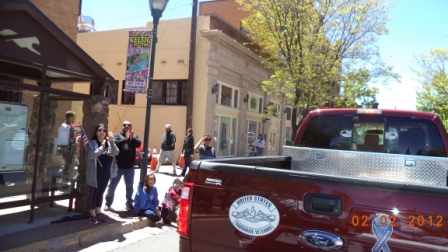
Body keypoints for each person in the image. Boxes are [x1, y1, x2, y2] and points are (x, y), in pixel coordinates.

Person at [104, 120, 141, 211]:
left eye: (129, 125)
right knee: (112, 186)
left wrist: (131, 138)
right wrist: (125, 139)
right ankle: (108, 203)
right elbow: (116, 144)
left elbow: (139, 144)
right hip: (118, 167)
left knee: (129, 187)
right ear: (122, 126)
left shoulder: (134, 136)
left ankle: (129, 203)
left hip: (130, 167)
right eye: (125, 125)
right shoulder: (117, 136)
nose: (127, 126)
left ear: (131, 127)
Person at [86, 123, 119, 224]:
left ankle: (98, 212)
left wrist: (111, 141)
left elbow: (116, 152)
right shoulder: (92, 142)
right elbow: (92, 155)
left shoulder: (109, 143)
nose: (102, 132)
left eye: (104, 130)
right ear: (96, 132)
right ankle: (92, 215)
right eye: (99, 130)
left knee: (100, 193)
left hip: (106, 173)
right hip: (96, 173)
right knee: (93, 194)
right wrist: (102, 147)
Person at [59, 111, 76, 180]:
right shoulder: (69, 127)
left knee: (66, 163)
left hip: (63, 147)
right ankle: (65, 177)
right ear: (70, 117)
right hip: (69, 148)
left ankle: (64, 176)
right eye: (73, 117)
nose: (74, 118)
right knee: (69, 163)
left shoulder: (62, 125)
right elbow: (69, 139)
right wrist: (76, 139)